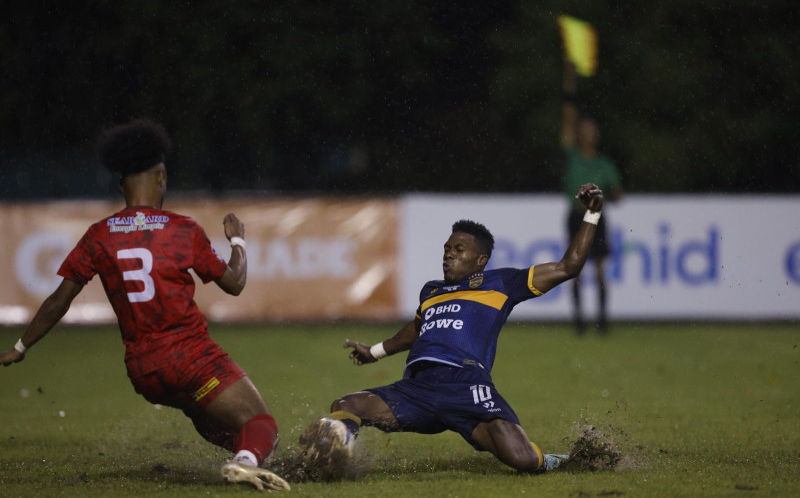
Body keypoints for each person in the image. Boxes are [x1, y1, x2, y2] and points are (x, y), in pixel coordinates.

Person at [0, 119, 289, 492]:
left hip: (145, 373)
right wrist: (238, 242)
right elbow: (234, 283)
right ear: (161, 176)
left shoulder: (99, 235)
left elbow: (59, 300)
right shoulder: (181, 229)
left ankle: (248, 458)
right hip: (189, 356)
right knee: (263, 423)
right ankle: (248, 461)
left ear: (122, 185)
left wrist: (21, 347)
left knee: (229, 427)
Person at [299, 184, 604, 477]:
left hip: (467, 385)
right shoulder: (432, 291)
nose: (448, 255)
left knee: (522, 459)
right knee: (345, 406)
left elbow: (569, 266)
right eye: (446, 249)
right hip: (418, 389)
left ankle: (554, 461)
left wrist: (591, 214)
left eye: (459, 249)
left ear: (480, 260)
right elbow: (418, 328)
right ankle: (333, 460)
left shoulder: (503, 283)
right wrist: (376, 351)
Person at [561, 61, 623, 334]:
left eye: (591, 130)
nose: (588, 134)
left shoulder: (604, 163)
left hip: (596, 216)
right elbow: (567, 116)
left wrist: (610, 194)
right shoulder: (572, 157)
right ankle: (578, 323)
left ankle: (602, 322)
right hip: (576, 215)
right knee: (574, 268)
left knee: (598, 269)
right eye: (583, 130)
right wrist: (570, 81)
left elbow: (618, 194)